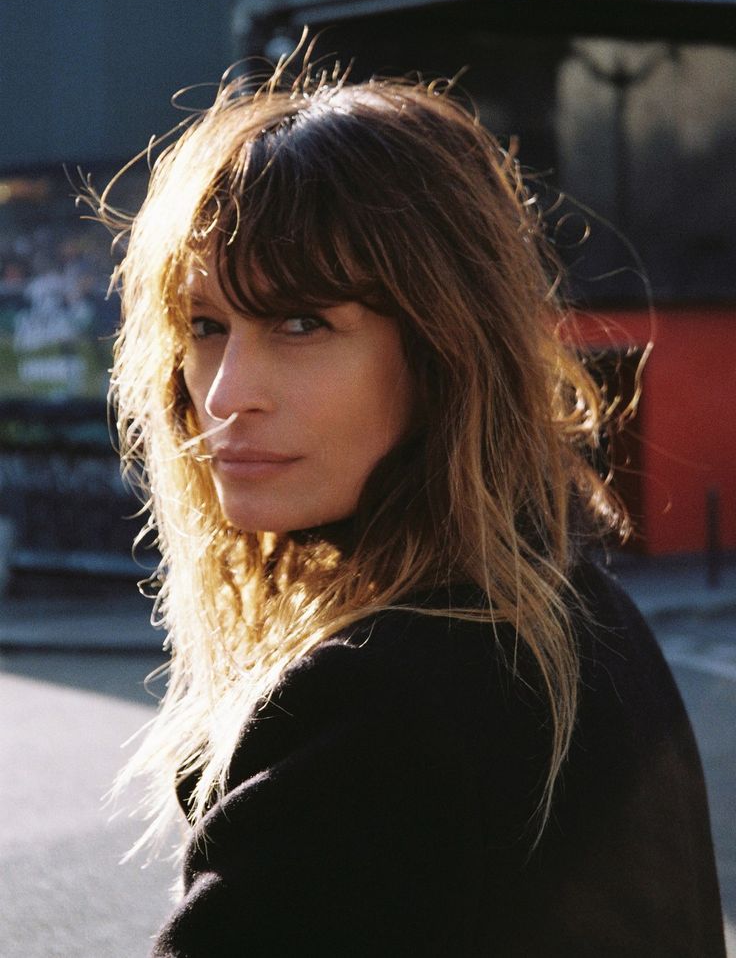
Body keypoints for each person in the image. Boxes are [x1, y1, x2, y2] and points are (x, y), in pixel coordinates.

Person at [96, 53, 726, 956]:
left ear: (444, 354)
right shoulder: (580, 617)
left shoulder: (377, 706)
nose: (226, 392)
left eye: (302, 323)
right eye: (206, 327)